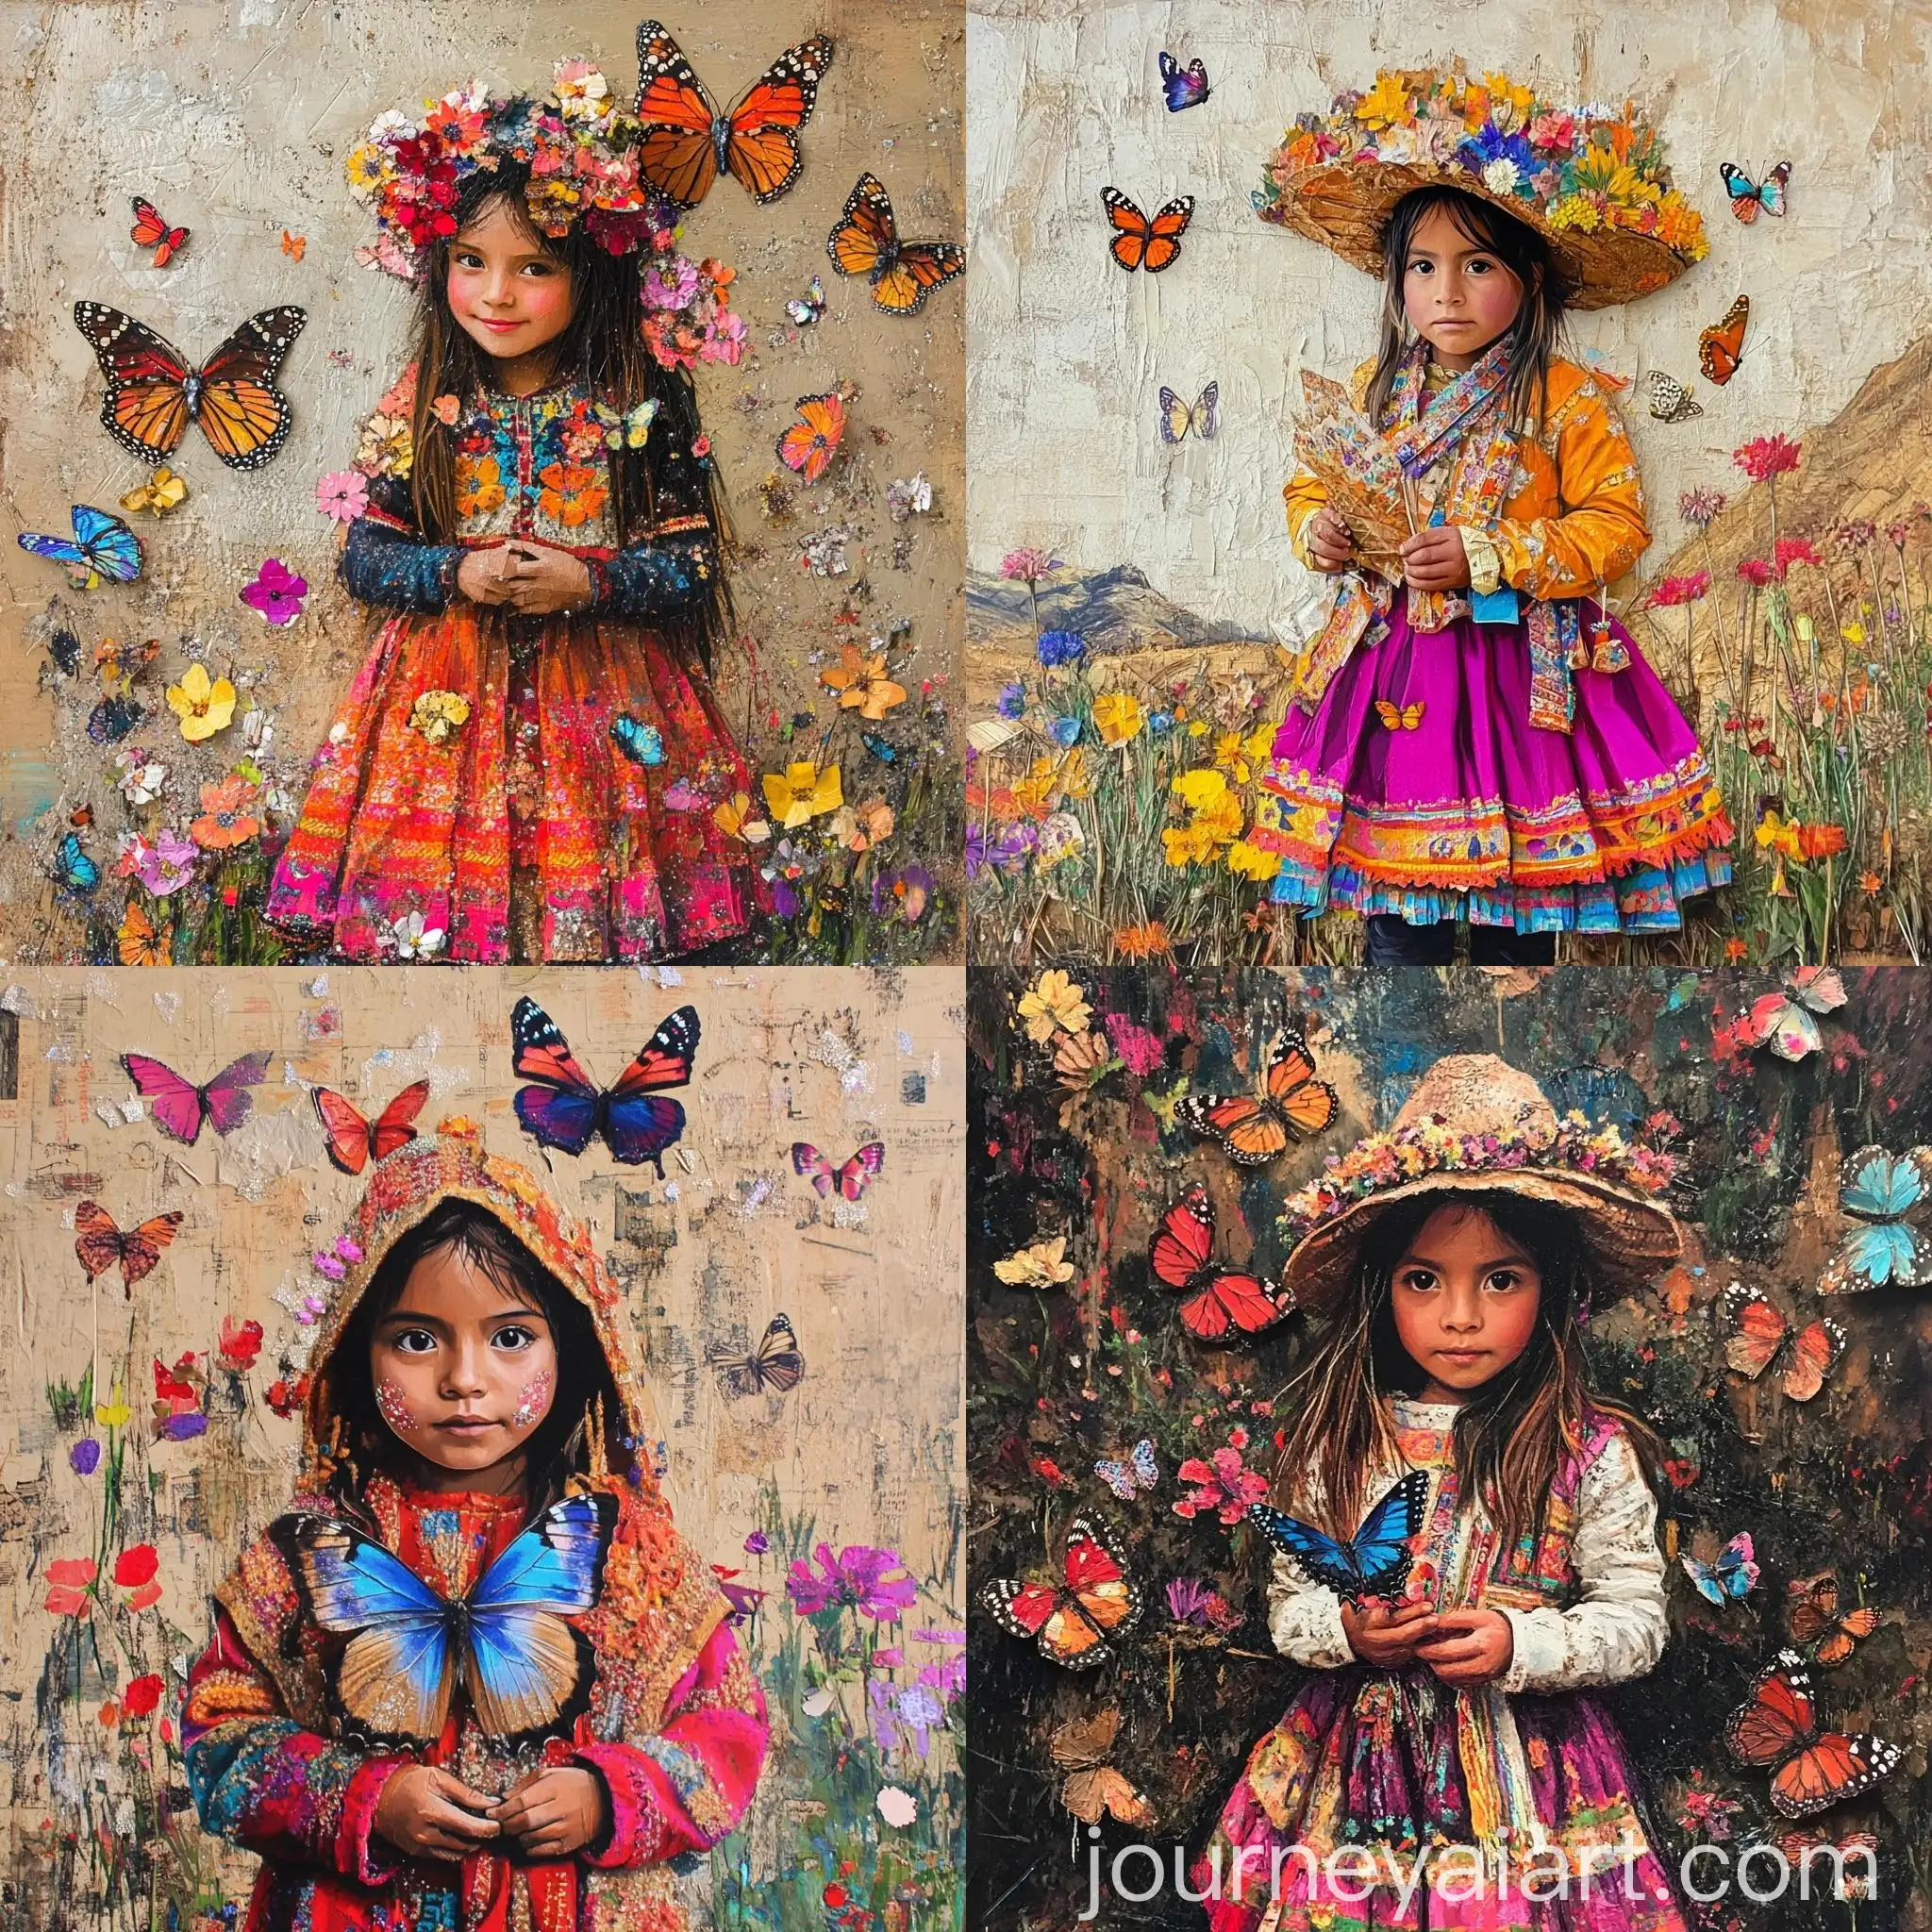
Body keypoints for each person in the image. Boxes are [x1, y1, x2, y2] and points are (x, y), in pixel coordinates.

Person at [183, 1124, 767, 1931]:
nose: (464, 1380)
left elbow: (728, 1728)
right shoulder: (306, 1553)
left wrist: (608, 1795)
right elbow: (220, 1741)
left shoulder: (629, 1549)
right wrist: (366, 1801)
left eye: (510, 1338)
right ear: (356, 1347)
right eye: (417, 1340)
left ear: (572, 1346)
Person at [268, 63, 762, 963]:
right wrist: (454, 570)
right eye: (470, 262)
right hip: (443, 701)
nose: (494, 294)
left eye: (532, 267)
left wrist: (592, 579)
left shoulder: (640, 397)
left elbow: (692, 561)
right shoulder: (422, 399)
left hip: (608, 704)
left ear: (594, 272)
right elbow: (365, 555)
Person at [1250, 70, 1733, 964]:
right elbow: (1313, 484)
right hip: (1396, 675)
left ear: (1529, 279)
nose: (1449, 293)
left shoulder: (1563, 399)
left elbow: (1617, 526)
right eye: (1423, 268)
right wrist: (1319, 529)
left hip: (1518, 682)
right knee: (1399, 917)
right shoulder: (1377, 391)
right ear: (1396, 284)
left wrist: (1488, 551)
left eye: (1478, 266)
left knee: (1521, 913)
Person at [1199, 1054, 1687, 1932]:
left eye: (1501, 1280)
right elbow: (1290, 1606)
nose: (1461, 1315)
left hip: (1530, 1773)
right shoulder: (1343, 1445)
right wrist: (1347, 1629)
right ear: (1384, 1292)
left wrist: (1520, 1641)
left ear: (1553, 1291)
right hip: (1363, 1772)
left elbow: (1636, 1619)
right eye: (1425, 1280)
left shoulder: (1586, 1450)